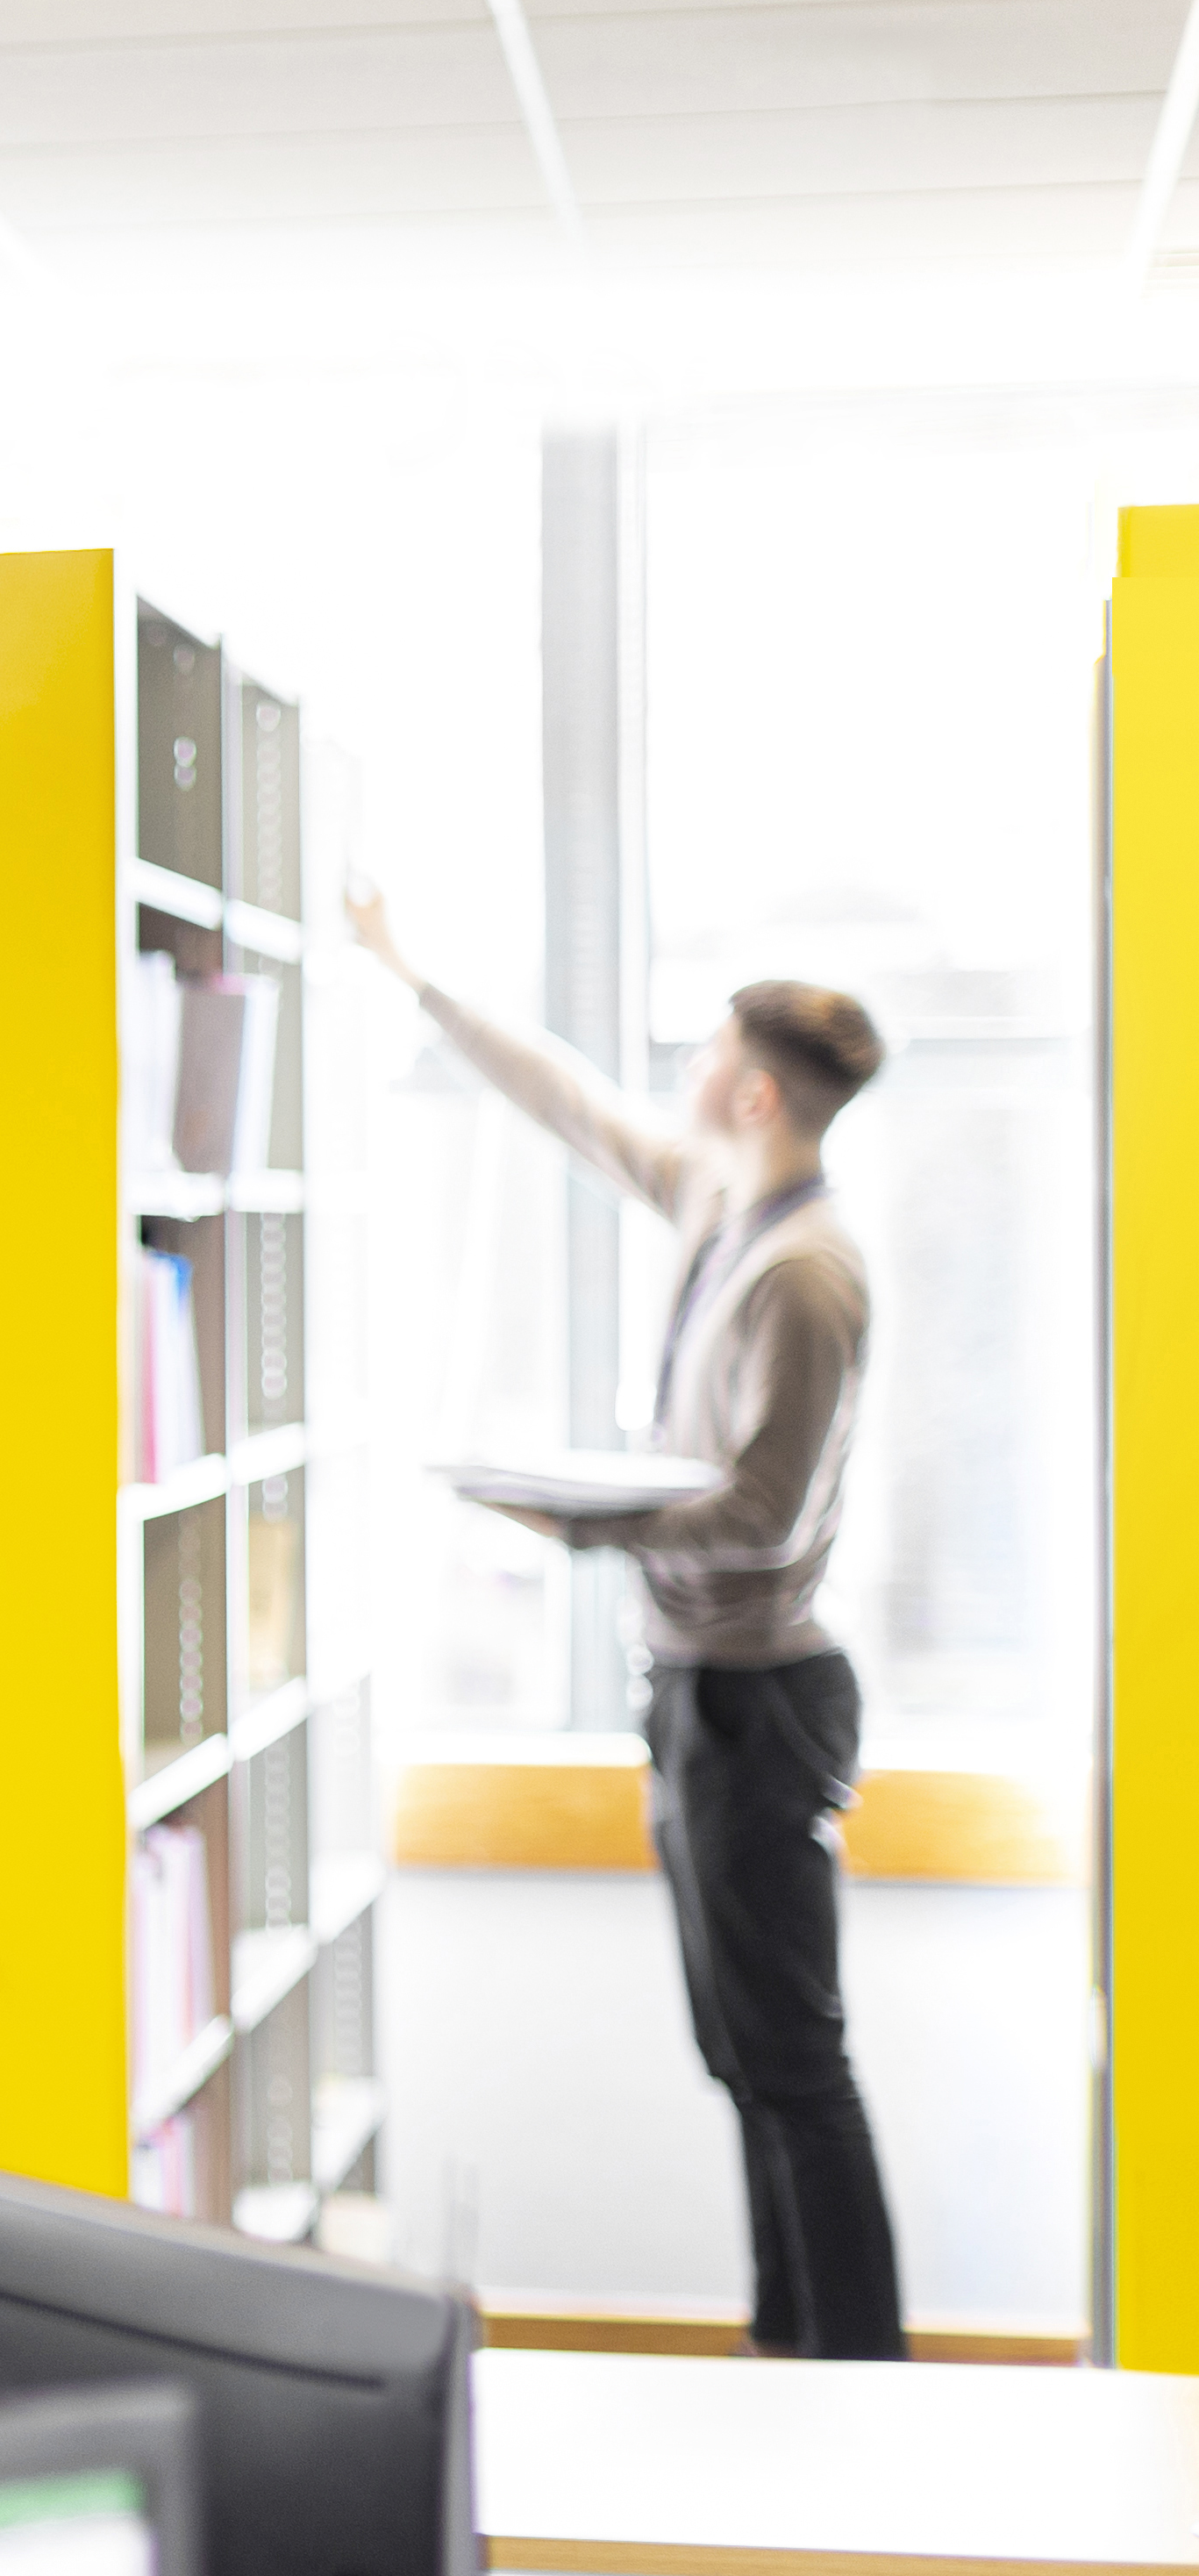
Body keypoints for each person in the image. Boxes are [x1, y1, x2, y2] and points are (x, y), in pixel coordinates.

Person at [345, 882, 902, 2359]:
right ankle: (790, 2348)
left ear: (755, 1090)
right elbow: (571, 1104)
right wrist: (416, 980)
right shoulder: (722, 1204)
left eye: (708, 1052)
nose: (684, 1072)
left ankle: (855, 2367)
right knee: (742, 2053)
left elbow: (764, 1510)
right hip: (695, 1682)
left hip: (761, 1697)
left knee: (792, 2062)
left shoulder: (806, 1273)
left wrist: (581, 1521)